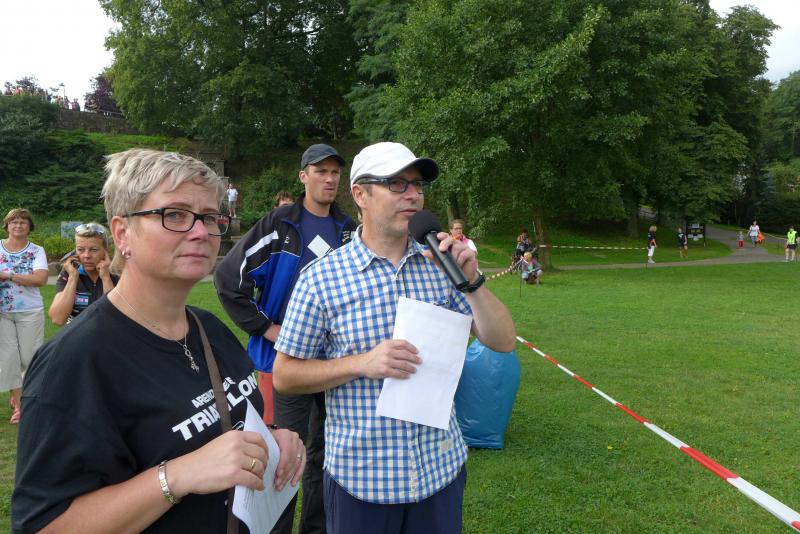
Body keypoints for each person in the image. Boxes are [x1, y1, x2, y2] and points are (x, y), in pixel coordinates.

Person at [12, 149, 306, 532]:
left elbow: (232, 429)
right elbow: (43, 525)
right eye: (175, 215)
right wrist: (178, 475)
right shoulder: (75, 362)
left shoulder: (210, 329)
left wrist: (273, 439)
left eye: (209, 217)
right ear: (122, 233)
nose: (201, 231)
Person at [272, 141, 516, 534]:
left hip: (440, 472)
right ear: (360, 195)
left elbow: (503, 342)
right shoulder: (320, 279)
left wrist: (472, 282)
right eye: (397, 184)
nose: (413, 195)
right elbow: (285, 375)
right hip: (362, 483)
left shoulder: (442, 265)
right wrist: (362, 363)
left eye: (417, 185)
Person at [215, 143, 356, 534]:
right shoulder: (280, 225)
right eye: (321, 171)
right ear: (303, 176)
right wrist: (269, 328)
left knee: (326, 456)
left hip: (335, 364)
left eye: (335, 172)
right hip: (286, 363)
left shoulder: (348, 230)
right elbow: (229, 279)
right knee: (283, 455)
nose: (329, 179)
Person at [0, 208, 47, 425]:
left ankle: (26, 394)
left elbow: (40, 279)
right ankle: (20, 406)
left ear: (29, 227)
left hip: (30, 311)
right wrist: (21, 277)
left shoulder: (36, 251)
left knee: (30, 358)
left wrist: (8, 275)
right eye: (14, 222)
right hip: (2, 312)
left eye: (23, 222)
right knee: (8, 359)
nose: (18, 225)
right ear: (7, 226)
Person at [48, 222, 119, 326]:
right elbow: (58, 319)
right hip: (77, 334)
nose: (86, 255)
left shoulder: (118, 274)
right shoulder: (69, 273)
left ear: (105, 250)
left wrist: (106, 278)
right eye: (80, 249)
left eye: (93, 250)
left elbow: (115, 316)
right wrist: (73, 278)